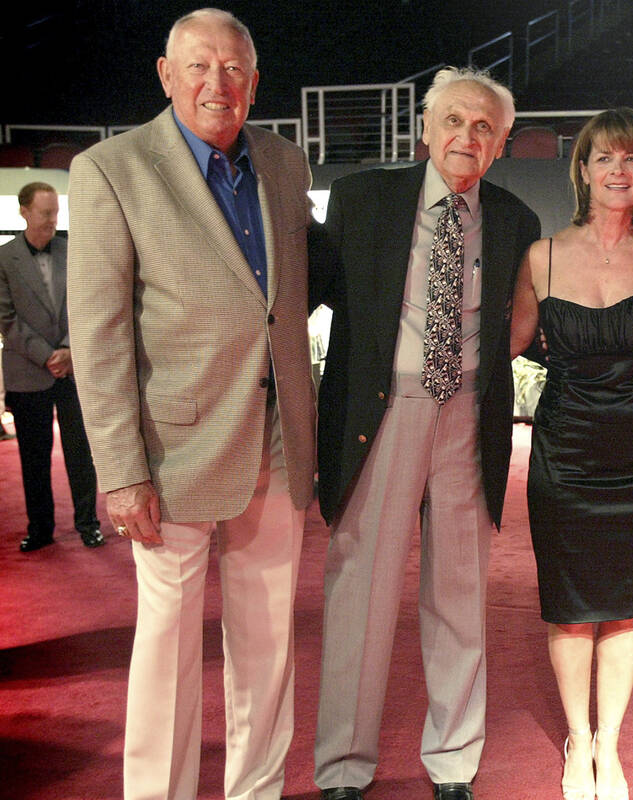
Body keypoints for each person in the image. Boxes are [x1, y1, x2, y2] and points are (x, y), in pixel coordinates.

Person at [66, 9, 315, 799]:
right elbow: (99, 337)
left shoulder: (283, 161)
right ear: (166, 75)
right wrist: (120, 470)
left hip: (277, 441)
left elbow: (282, 301)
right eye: (200, 66)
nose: (219, 83)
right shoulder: (112, 169)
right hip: (169, 458)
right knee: (167, 650)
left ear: (255, 82)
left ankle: (256, 790)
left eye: (235, 68)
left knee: (268, 642)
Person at [309, 66, 540, 800]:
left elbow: (526, 325)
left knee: (461, 593)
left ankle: (454, 761)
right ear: (425, 127)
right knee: (360, 594)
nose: (465, 137)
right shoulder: (361, 200)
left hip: (469, 415)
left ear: (501, 144)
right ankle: (344, 767)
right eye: (453, 121)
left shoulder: (515, 221)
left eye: (483, 128)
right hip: (382, 414)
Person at [510, 108, 633, 800]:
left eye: (631, 160)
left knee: (623, 607)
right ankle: (577, 740)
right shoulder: (543, 257)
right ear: (581, 169)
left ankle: (608, 748)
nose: (617, 171)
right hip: (564, 453)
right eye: (603, 159)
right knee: (569, 606)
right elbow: (508, 345)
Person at [0, 182, 103, 551]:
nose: (52, 220)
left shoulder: (73, 251)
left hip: (74, 368)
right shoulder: (3, 258)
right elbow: (7, 320)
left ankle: (88, 522)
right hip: (29, 372)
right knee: (33, 457)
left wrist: (69, 349)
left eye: (56, 212)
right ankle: (40, 528)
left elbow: (88, 305)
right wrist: (47, 355)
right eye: (45, 213)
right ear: (24, 212)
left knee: (81, 452)